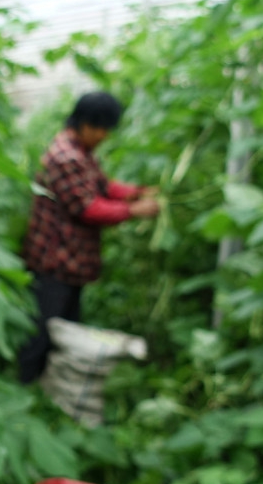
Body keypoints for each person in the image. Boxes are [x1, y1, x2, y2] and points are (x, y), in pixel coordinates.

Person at [17, 91, 159, 384]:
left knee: (66, 327)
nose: (105, 136)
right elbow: (88, 208)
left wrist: (135, 191)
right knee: (45, 328)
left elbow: (102, 186)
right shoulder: (66, 157)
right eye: (102, 129)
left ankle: (53, 385)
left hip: (71, 260)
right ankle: (25, 384)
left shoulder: (80, 151)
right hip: (55, 260)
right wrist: (134, 210)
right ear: (86, 124)